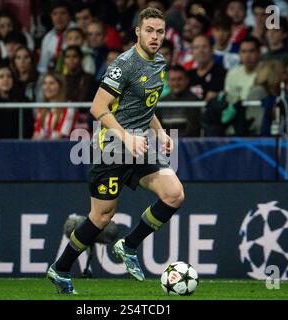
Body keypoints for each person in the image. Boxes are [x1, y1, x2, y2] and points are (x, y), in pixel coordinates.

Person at [47, 7, 184, 294]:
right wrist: (127, 138)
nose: (155, 36)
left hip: (139, 147)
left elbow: (146, 105)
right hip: (110, 148)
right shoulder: (124, 64)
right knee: (102, 217)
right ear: (137, 31)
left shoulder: (159, 62)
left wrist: (159, 133)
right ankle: (60, 268)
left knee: (174, 194)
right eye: (149, 30)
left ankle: (129, 245)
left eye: (160, 31)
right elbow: (97, 107)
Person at [158, 65, 202, 137]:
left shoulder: (194, 102)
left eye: (179, 79)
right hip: (165, 145)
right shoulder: (161, 103)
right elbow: (157, 130)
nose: (176, 83)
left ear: (187, 80)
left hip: (186, 145)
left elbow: (193, 130)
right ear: (168, 82)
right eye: (173, 79)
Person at [32, 72, 75, 140]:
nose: (47, 87)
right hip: (44, 147)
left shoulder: (68, 106)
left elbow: (60, 135)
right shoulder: (42, 108)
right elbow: (36, 134)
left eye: (51, 83)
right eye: (45, 83)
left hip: (63, 147)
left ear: (60, 86)